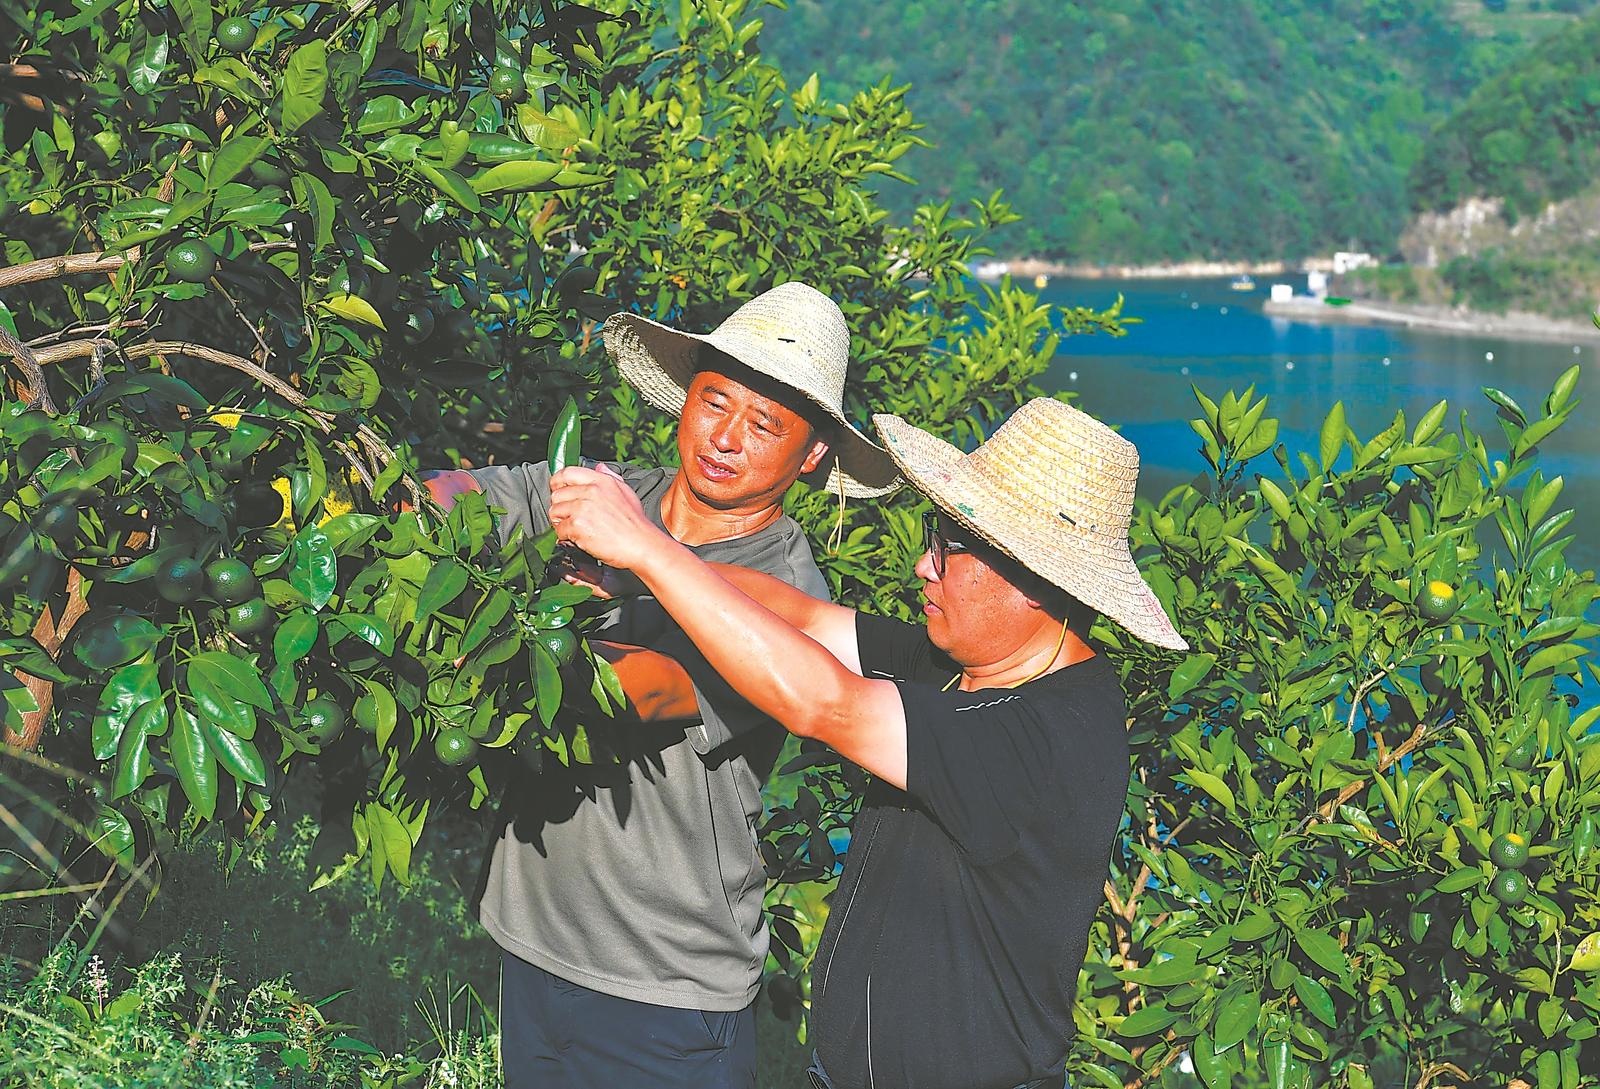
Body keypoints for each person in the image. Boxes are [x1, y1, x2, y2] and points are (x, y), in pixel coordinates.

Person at [547, 396, 1189, 1089]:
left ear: (1032, 580)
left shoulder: (1043, 738)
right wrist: (640, 569)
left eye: (950, 544)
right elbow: (800, 615)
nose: (923, 564)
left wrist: (649, 547)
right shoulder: (965, 666)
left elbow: (822, 702)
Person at [422, 281, 900, 1089]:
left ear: (813, 453)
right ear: (686, 397)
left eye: (766, 425)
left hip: (664, 987)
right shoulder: (615, 495)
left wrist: (495, 627)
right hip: (534, 937)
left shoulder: (783, 593)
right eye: (716, 403)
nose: (726, 438)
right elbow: (457, 500)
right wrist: (362, 491)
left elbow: (636, 691)